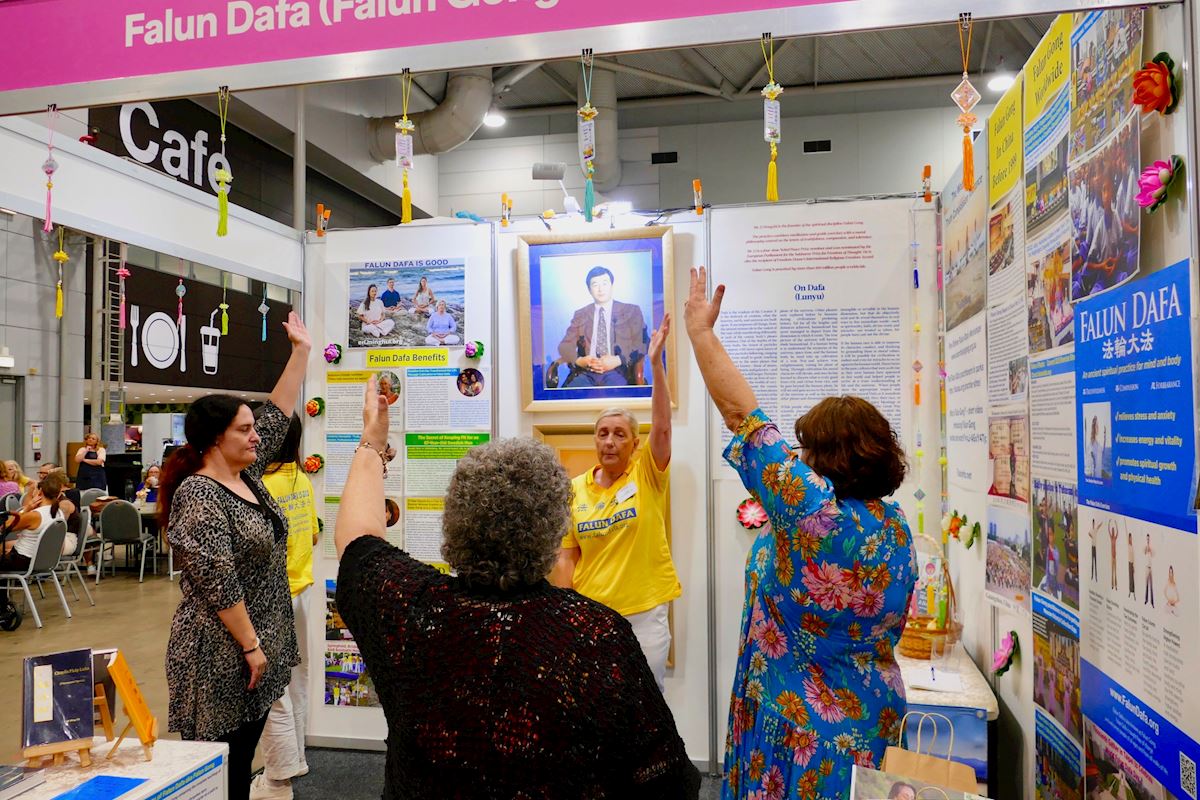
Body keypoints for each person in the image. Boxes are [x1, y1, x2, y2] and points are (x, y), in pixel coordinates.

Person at [333, 378, 700, 799]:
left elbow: (357, 540)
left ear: (453, 519)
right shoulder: (595, 637)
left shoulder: (412, 608)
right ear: (555, 529)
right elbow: (667, 781)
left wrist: (373, 441)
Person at [682, 266, 916, 800]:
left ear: (824, 458)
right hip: (873, 723)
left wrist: (700, 333)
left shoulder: (813, 515)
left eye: (806, 446)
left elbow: (743, 417)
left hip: (798, 730)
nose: (798, 455)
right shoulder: (894, 524)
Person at [157, 311, 310, 800]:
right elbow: (217, 580)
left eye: (252, 428)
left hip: (254, 649)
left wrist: (301, 352)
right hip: (222, 656)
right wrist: (250, 644)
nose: (256, 436)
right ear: (214, 440)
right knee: (222, 772)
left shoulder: (246, 477)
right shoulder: (200, 493)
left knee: (240, 765)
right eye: (244, 430)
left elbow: (277, 412)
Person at [551, 315, 678, 690]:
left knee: (645, 704)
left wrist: (655, 364)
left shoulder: (646, 475)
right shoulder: (574, 490)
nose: (609, 441)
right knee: (594, 701)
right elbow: (566, 557)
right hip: (591, 615)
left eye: (620, 434)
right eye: (603, 433)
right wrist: (566, 613)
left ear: (634, 444)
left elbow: (662, 428)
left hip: (644, 615)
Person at [252, 414, 319, 800]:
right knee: (297, 679)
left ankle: (277, 778)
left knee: (271, 687)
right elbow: (312, 535)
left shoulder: (260, 485)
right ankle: (296, 758)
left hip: (274, 595)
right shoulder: (301, 479)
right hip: (302, 590)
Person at [556, 266, 647, 388]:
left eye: (605, 283)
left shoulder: (631, 311)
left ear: (612, 286)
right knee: (571, 394)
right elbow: (564, 346)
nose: (600, 289)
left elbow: (643, 343)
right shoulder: (581, 314)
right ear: (589, 290)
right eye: (595, 285)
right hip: (586, 372)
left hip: (618, 371)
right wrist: (580, 361)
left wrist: (618, 360)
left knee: (617, 395)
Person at [1, 472, 76, 569]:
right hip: (44, 560)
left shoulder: (35, 515)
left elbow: (4, 527)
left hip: (23, 560)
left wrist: (27, 508)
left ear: (40, 492)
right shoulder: (58, 512)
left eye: (34, 489)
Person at [1143, 533, 1155, 607]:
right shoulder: (1145, 547)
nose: (1148, 539)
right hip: (1146, 568)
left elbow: (1153, 555)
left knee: (1151, 585)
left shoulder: (1151, 547)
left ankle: (1152, 602)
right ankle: (1146, 600)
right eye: (1147, 538)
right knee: (1146, 585)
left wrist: (1150, 549)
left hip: (1151, 568)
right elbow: (1144, 552)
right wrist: (1146, 548)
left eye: (1149, 538)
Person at [1109, 522, 1118, 590]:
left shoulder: (1115, 538)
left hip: (1115, 556)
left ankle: (1116, 585)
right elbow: (1108, 530)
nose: (1112, 532)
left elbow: (1118, 532)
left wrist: (1116, 524)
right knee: (1112, 572)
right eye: (1112, 531)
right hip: (1112, 557)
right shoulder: (1111, 538)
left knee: (1115, 572)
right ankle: (1112, 585)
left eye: (1113, 531)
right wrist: (1109, 523)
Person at [1127, 530, 1135, 599]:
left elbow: (1133, 556)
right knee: (1130, 577)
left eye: (1131, 538)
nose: (1130, 539)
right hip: (1129, 563)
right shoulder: (1128, 545)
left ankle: (1133, 591)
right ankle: (1130, 591)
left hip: (1132, 563)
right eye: (1130, 538)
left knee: (1133, 578)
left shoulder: (1132, 546)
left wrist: (1134, 566)